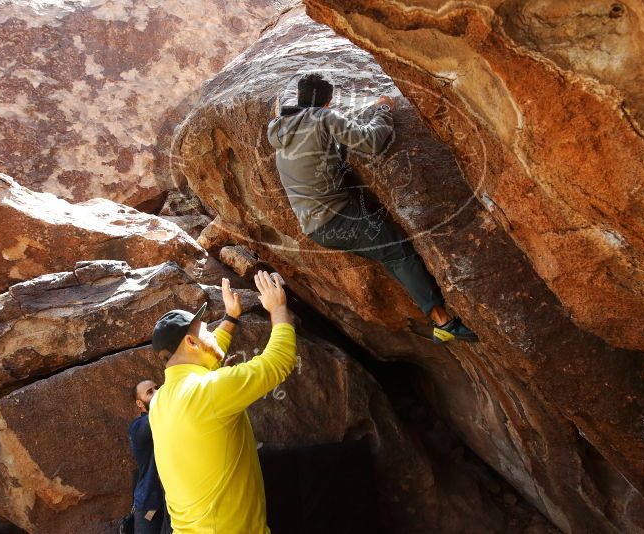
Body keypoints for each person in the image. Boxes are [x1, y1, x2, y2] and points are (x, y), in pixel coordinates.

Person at [267, 72, 478, 343]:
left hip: (315, 227)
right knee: (398, 252)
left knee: (388, 253)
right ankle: (444, 323)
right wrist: (383, 109)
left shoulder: (280, 125)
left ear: (300, 98)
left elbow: (284, 100)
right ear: (328, 103)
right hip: (338, 218)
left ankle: (431, 311)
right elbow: (372, 142)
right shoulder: (324, 117)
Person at [149, 273, 296, 533]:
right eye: (205, 329)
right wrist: (279, 308)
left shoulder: (159, 401)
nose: (211, 331)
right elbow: (279, 362)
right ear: (191, 342)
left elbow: (206, 358)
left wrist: (231, 317)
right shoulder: (208, 392)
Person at [128, 379, 171, 534]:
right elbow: (151, 421)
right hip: (149, 504)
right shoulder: (137, 426)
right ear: (140, 403)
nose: (157, 392)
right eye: (150, 392)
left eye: (157, 388)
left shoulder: (169, 418)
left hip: (174, 502)